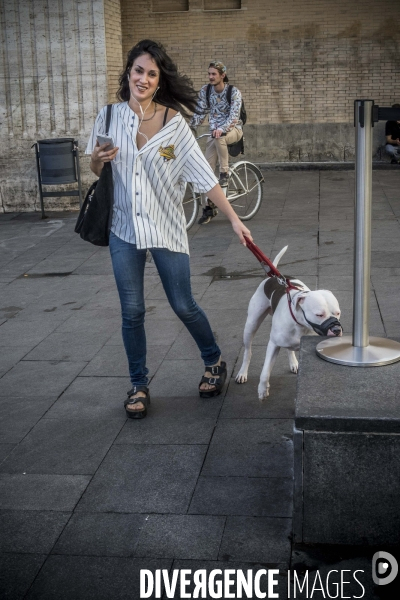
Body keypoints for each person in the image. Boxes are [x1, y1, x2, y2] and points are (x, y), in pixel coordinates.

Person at [86, 40, 252, 419]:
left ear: (159, 81)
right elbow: (99, 173)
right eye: (138, 70)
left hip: (166, 229)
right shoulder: (108, 117)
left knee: (183, 304)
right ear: (128, 72)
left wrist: (233, 218)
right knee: (132, 312)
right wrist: (96, 160)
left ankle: (214, 361)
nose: (142, 79)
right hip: (123, 229)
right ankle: (138, 383)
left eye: (151, 73)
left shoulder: (173, 123)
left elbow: (202, 176)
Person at [190, 60, 244, 224]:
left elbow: (234, 116)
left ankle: (225, 173)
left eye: (214, 74)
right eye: (209, 74)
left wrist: (222, 128)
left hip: (233, 130)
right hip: (214, 134)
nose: (211, 77)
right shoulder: (206, 91)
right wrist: (189, 127)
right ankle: (209, 208)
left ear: (223, 75)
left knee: (219, 136)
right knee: (206, 170)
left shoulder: (233, 92)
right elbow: (200, 112)